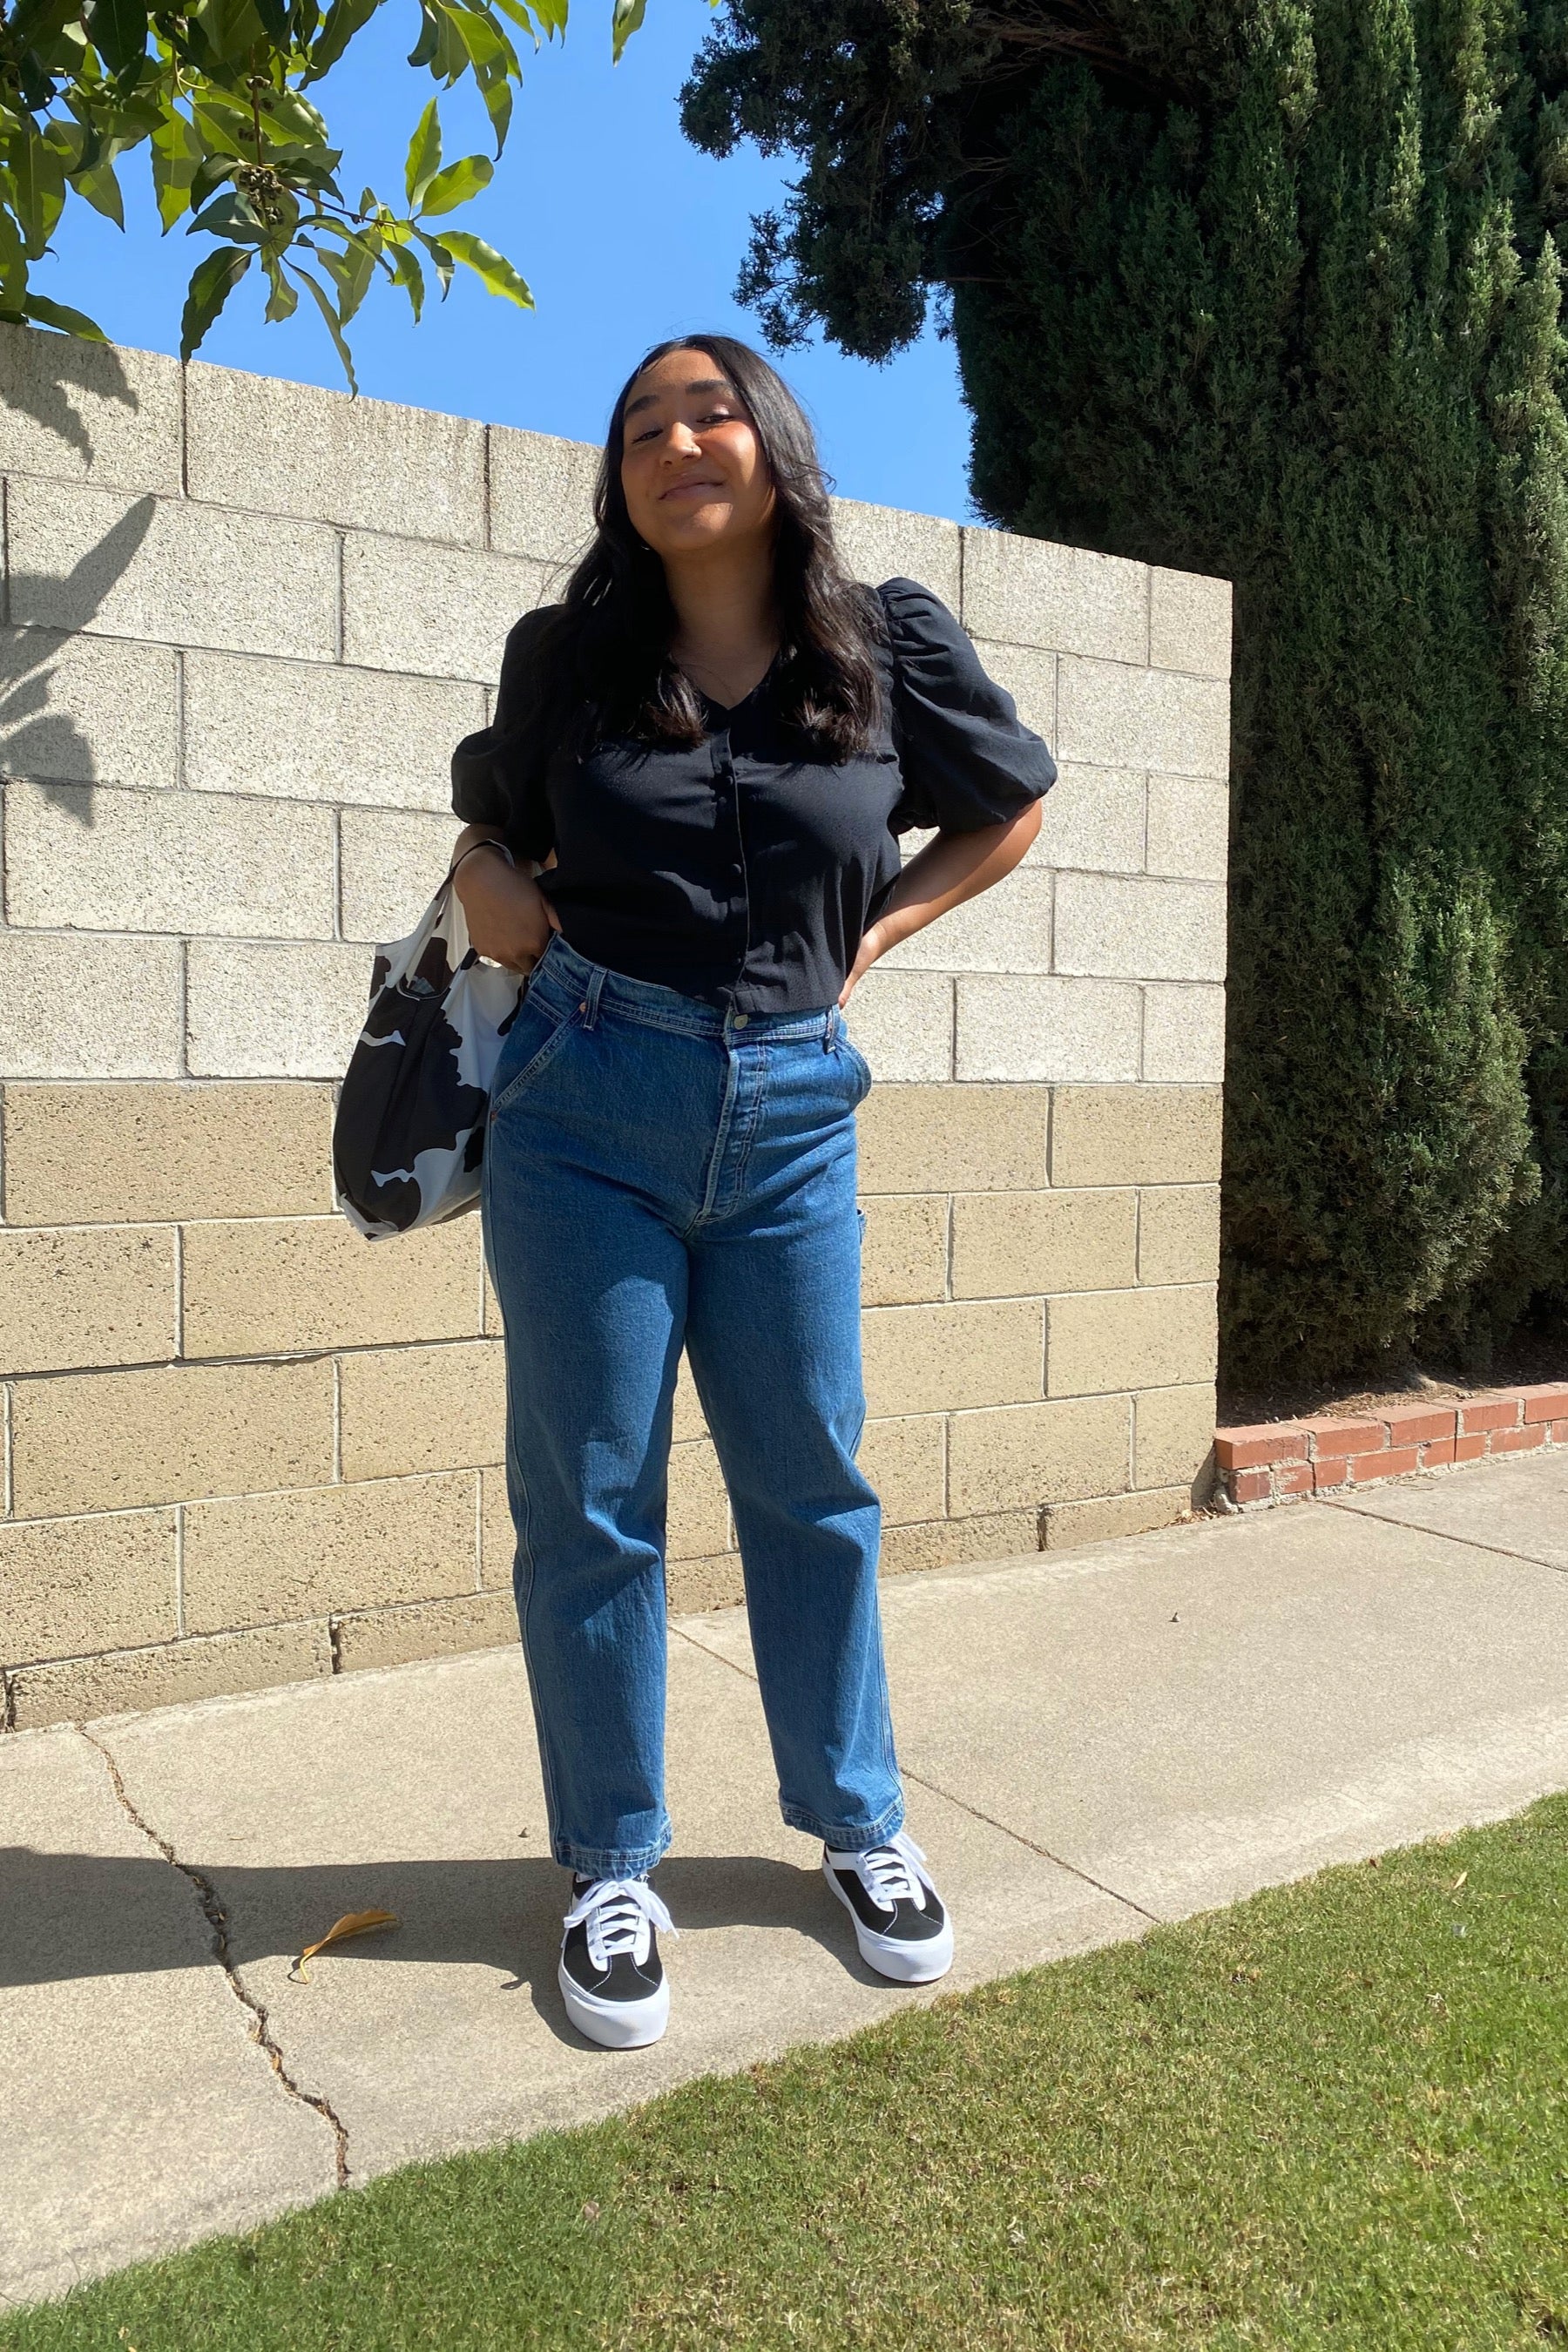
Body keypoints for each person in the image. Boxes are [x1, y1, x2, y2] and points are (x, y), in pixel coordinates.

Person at [449, 334, 1056, 2050]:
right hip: (585, 1099)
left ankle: (859, 1825)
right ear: (621, 480)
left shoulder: (887, 643)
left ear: (773, 444)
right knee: (592, 1499)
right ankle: (611, 1867)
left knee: (814, 1483)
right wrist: (488, 876)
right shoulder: (567, 655)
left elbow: (1009, 805)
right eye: (643, 423)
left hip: (795, 1110)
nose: (676, 439)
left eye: (710, 409)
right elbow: (487, 822)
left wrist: (883, 931)